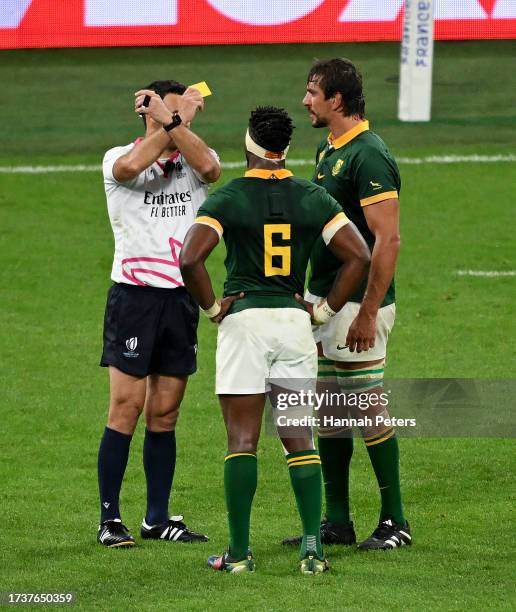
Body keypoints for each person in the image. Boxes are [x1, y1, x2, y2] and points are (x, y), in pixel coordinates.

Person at [179, 106, 371, 573]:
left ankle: (240, 554)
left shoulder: (227, 198)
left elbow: (190, 260)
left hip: (245, 323)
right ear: (284, 148)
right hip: (293, 323)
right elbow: (359, 256)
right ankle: (312, 550)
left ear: (249, 143)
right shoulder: (314, 197)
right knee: (298, 439)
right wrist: (323, 310)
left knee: (242, 440)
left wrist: (211, 309)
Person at [283, 58, 411, 551]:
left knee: (367, 409)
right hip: (327, 297)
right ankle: (336, 521)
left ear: (337, 100)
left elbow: (389, 240)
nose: (306, 101)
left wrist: (368, 310)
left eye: (313, 92)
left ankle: (395, 521)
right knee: (332, 410)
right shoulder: (327, 148)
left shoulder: (369, 157)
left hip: (359, 304)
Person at [96, 79, 220, 547]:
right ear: (148, 115)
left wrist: (175, 120)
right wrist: (177, 117)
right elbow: (131, 167)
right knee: (125, 409)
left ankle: (157, 517)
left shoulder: (195, 161)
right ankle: (110, 519)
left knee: (165, 413)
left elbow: (210, 168)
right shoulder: (115, 157)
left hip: (180, 299)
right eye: (163, 113)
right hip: (134, 297)